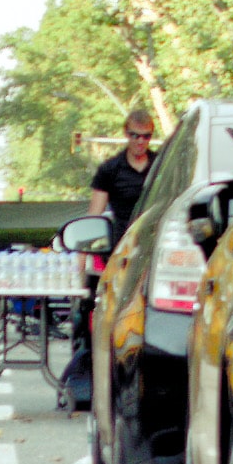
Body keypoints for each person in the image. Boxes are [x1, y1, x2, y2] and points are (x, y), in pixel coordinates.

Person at [64, 93, 162, 409]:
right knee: (115, 319)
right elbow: (93, 217)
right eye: (135, 136)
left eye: (146, 136)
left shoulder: (160, 166)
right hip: (119, 253)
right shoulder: (110, 170)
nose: (140, 142)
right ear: (126, 135)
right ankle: (109, 381)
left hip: (155, 252)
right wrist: (80, 261)